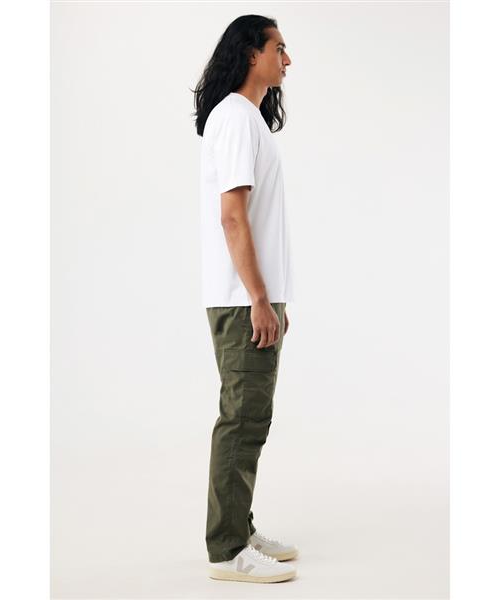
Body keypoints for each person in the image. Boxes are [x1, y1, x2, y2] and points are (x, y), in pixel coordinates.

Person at [192, 14, 298, 583]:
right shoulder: (234, 117)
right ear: (251, 53)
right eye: (279, 48)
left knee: (252, 417)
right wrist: (258, 296)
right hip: (242, 299)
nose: (287, 59)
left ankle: (240, 527)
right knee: (242, 418)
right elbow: (232, 216)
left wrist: (272, 298)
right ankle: (227, 550)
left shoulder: (247, 119)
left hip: (253, 296)